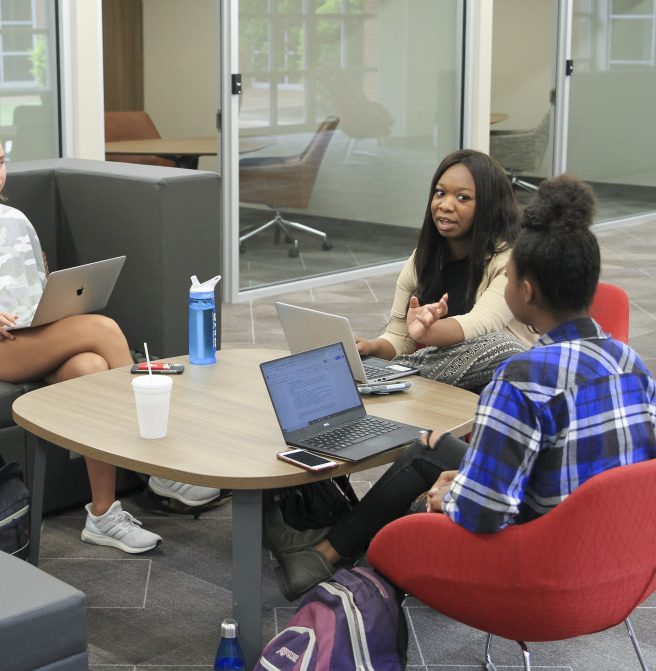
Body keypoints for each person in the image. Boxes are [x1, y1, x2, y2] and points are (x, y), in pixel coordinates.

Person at [266, 174, 656, 601]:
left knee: (426, 489)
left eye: (507, 279)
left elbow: (484, 514)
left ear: (525, 291)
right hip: (615, 548)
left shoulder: (521, 378)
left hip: (539, 557)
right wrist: (462, 474)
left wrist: (448, 495)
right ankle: (326, 549)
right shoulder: (631, 363)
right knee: (429, 448)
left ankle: (327, 549)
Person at [0, 127, 220, 554]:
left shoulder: (16, 220)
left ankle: (103, 516)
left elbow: (38, 292)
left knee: (88, 369)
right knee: (102, 329)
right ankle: (163, 464)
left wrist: (54, 312)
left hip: (32, 337)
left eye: (0, 163)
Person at [355, 149, 535, 392]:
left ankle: (393, 375)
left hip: (500, 379)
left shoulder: (509, 260)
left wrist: (428, 331)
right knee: (373, 364)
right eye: (440, 193)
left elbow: (480, 325)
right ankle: (390, 375)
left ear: (489, 205)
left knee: (501, 346)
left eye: (462, 198)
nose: (445, 205)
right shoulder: (423, 256)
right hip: (441, 380)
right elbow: (399, 337)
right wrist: (370, 348)